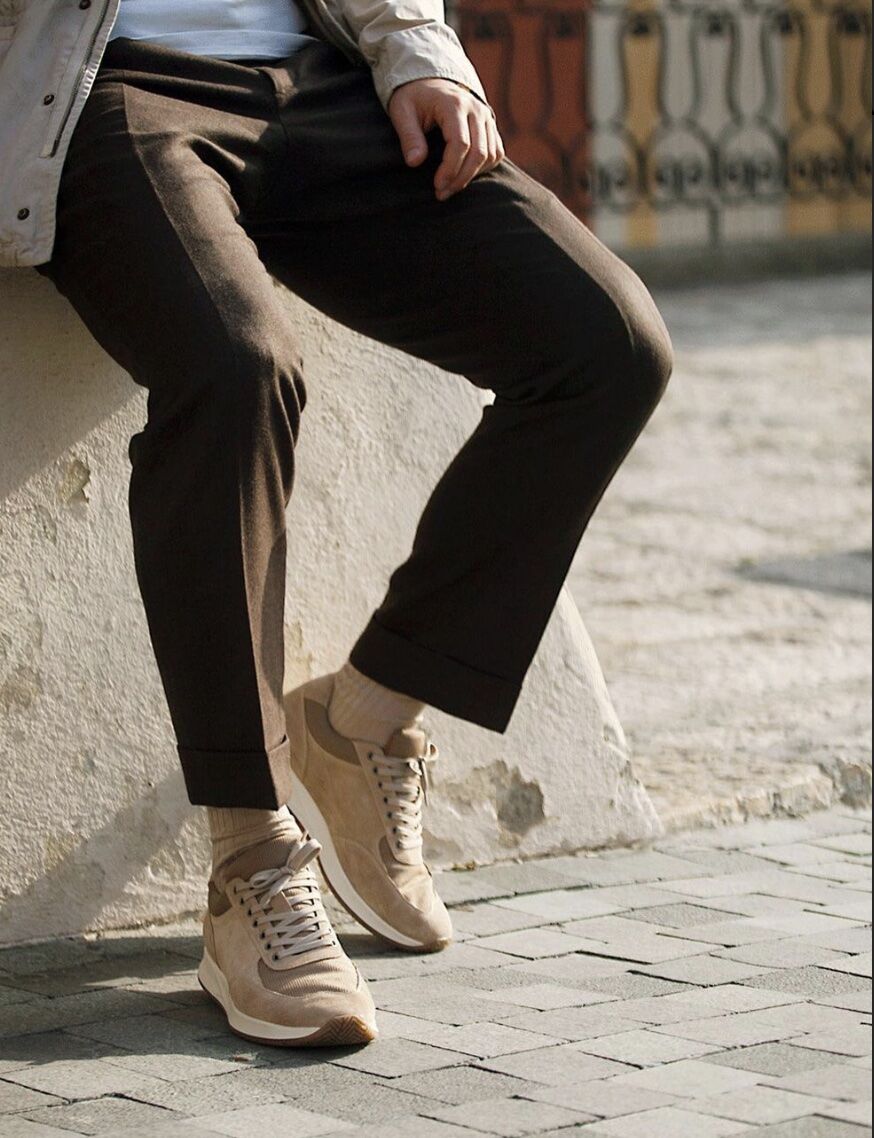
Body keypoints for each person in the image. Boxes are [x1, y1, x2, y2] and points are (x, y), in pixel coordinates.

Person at [0, 0, 674, 1047]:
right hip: (104, 89)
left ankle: (358, 718)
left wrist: (416, 49)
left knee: (606, 344)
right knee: (235, 365)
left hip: (324, 81)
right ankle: (250, 858)